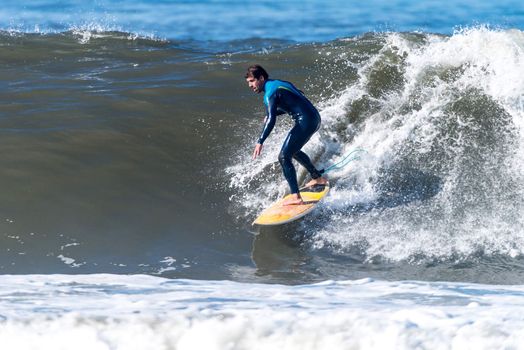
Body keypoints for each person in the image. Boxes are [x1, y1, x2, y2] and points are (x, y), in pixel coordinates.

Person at [245, 64, 327, 205]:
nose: (250, 85)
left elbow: (271, 120)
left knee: (283, 156)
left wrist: (260, 141)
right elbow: (298, 96)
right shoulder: (279, 84)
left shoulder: (269, 93)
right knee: (293, 151)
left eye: (252, 81)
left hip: (305, 121)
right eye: (248, 83)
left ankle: (296, 197)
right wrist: (275, 112)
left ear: (261, 78)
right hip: (313, 117)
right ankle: (317, 178)